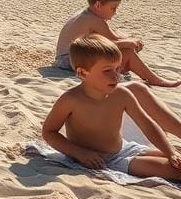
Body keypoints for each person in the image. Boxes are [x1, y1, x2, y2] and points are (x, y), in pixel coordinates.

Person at [42, 34, 181, 180]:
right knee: (175, 172)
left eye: (118, 69)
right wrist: (78, 152)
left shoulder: (122, 94)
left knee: (177, 160)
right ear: (82, 73)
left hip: (125, 148)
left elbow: (147, 124)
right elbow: (49, 132)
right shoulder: (71, 100)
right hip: (104, 160)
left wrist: (170, 152)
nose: (116, 76)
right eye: (107, 70)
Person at [55, 0, 179, 86]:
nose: (115, 13)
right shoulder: (94, 20)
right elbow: (110, 42)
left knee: (124, 49)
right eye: (113, 8)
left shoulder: (87, 14)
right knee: (128, 53)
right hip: (69, 59)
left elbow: (114, 36)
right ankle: (156, 81)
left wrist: (130, 41)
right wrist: (129, 43)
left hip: (65, 58)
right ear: (98, 5)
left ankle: (135, 71)